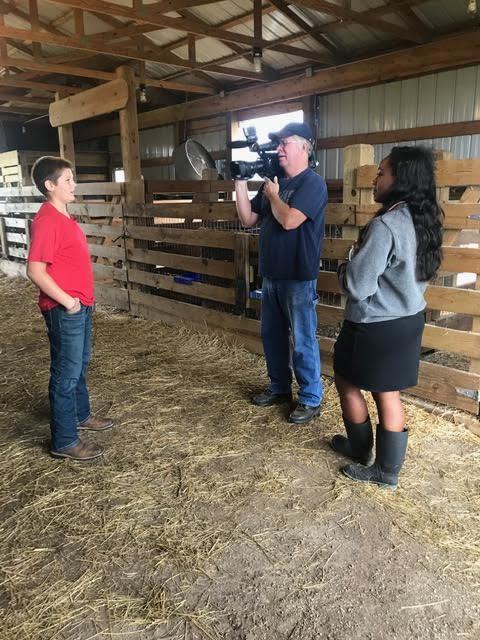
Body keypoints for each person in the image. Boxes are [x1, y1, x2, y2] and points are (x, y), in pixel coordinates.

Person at [331, 146, 443, 489]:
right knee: (388, 392)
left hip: (374, 324)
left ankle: (362, 451)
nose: (376, 180)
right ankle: (387, 470)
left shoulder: (387, 224)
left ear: (401, 179)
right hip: (407, 321)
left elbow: (358, 285)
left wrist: (344, 268)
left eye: (382, 173)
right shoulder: (424, 219)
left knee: (346, 380)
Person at [234, 122, 327, 424]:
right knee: (271, 336)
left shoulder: (312, 184)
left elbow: (289, 221)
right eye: (278, 145)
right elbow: (248, 219)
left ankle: (311, 398)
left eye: (285, 144)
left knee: (302, 339)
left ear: (304, 147)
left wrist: (274, 196)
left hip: (298, 276)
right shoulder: (273, 184)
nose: (279, 150)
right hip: (271, 274)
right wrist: (239, 181)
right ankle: (279, 388)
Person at [27, 156, 113, 461]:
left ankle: (80, 413)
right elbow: (35, 271)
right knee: (66, 372)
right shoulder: (47, 220)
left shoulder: (62, 216)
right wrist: (69, 302)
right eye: (67, 180)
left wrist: (81, 301)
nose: (73, 184)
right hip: (66, 308)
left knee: (78, 364)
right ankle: (63, 440)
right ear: (50, 186)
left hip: (80, 304)